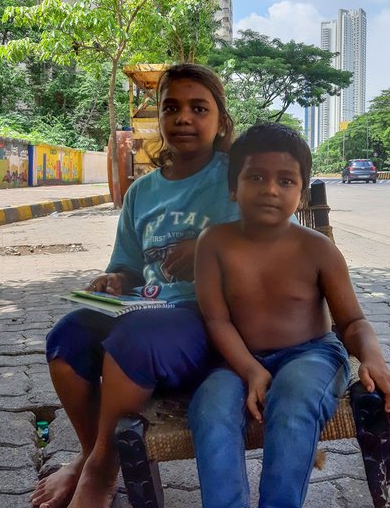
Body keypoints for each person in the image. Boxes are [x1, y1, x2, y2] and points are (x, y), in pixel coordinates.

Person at [30, 63, 240, 508]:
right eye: (171, 107)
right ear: (159, 120)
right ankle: (92, 453)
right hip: (147, 312)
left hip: (211, 324)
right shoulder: (142, 193)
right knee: (66, 338)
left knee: (131, 340)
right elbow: (127, 265)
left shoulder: (236, 180)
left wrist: (206, 250)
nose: (184, 117)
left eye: (198, 108)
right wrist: (114, 280)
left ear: (220, 120)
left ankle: (101, 470)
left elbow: (264, 246)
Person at [188, 123, 390, 508]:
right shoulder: (214, 244)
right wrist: (251, 370)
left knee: (294, 397)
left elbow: (352, 322)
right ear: (233, 187)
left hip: (313, 355)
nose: (271, 189)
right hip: (236, 359)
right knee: (211, 407)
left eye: (286, 181)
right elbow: (216, 321)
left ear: (301, 195)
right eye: (256, 177)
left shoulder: (319, 250)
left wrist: (373, 359)